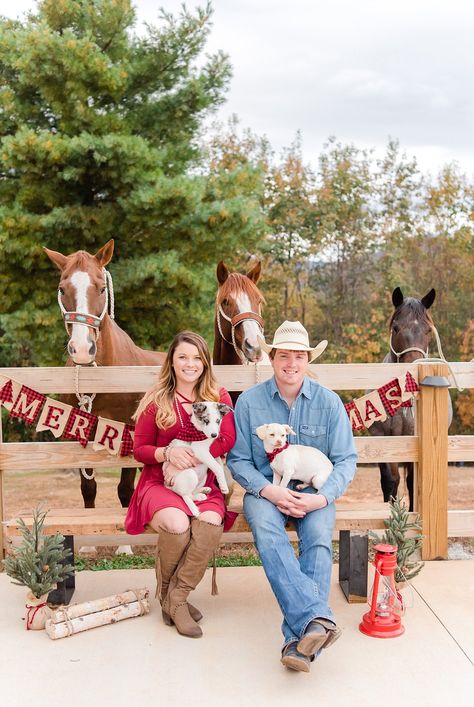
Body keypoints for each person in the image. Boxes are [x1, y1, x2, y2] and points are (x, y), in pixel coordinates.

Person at [227, 321, 357, 672]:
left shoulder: (329, 403)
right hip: (264, 490)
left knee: (316, 539)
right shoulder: (250, 403)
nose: (291, 363)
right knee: (269, 535)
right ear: (272, 358)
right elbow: (238, 459)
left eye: (299, 356)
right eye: (284, 355)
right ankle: (315, 621)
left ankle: (298, 642)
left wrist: (322, 498)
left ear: (307, 360)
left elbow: (345, 460)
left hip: (314, 493)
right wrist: (270, 490)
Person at [125, 331, 236, 638]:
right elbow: (140, 449)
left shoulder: (218, 396)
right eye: (183, 357)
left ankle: (175, 597)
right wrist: (168, 453)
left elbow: (227, 439)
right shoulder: (157, 399)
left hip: (204, 482)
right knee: (176, 523)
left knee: (210, 521)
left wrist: (196, 456)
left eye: (197, 358)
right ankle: (172, 600)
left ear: (206, 362)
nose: (190, 364)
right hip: (162, 481)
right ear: (172, 362)